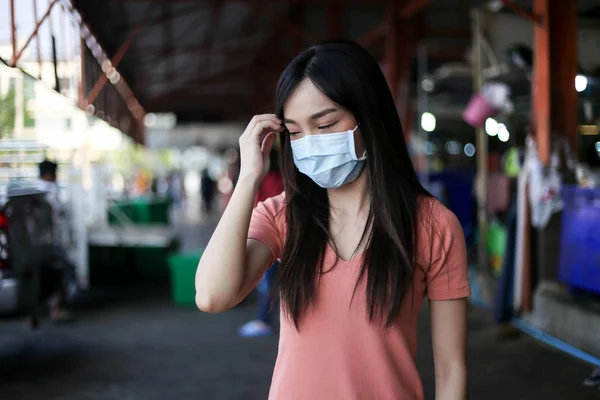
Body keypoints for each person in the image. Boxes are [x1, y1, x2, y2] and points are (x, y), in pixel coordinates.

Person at [195, 41, 469, 399]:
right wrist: (249, 178)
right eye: (294, 132)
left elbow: (451, 369)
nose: (309, 142)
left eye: (324, 124)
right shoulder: (282, 216)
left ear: (368, 117)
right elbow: (213, 296)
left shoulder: (432, 225)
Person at [238, 149, 284, 337]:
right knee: (269, 282)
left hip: (269, 237)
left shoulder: (269, 179)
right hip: (267, 234)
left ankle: (263, 320)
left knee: (269, 282)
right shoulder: (274, 178)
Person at [36, 160, 76, 323]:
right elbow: (59, 212)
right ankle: (56, 309)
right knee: (65, 271)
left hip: (36, 245)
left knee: (44, 274)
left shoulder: (35, 189)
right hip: (50, 243)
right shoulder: (51, 191)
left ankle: (46, 308)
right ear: (49, 174)